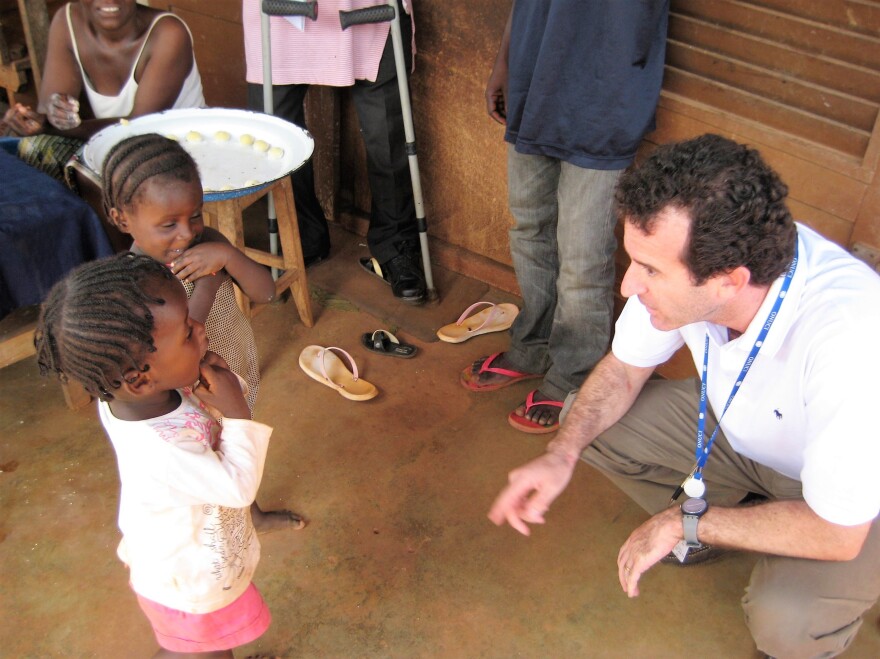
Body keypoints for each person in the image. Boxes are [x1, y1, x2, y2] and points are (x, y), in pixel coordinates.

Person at [488, 134, 880, 657]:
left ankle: (722, 535)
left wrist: (682, 520)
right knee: (591, 422)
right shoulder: (720, 269)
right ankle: (725, 527)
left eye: (650, 270)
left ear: (727, 283)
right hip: (745, 432)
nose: (629, 286)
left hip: (850, 499)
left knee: (786, 621)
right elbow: (623, 372)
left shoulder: (850, 341)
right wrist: (561, 455)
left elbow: (838, 534)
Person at [34, 253, 275, 657]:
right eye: (187, 334)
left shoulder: (129, 390)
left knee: (200, 649)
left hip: (182, 551)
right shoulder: (162, 448)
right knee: (208, 652)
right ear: (138, 377)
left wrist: (204, 294)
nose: (200, 329)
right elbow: (238, 488)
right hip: (188, 577)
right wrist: (237, 412)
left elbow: (164, 343)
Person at [461, 0, 670, 433]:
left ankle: (572, 374)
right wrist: (504, 62)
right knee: (530, 228)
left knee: (583, 253)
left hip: (605, 95)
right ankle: (534, 343)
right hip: (534, 80)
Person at [102, 132, 304, 533]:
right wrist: (212, 277)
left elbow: (265, 292)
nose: (187, 233)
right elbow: (188, 326)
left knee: (238, 436)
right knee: (216, 451)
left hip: (230, 362)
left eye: (194, 214)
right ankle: (239, 519)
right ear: (122, 220)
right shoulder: (137, 283)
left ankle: (252, 513)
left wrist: (228, 255)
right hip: (193, 389)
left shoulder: (208, 241)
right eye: (168, 224)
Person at [241, 0, 426, 303]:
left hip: (369, 6)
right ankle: (301, 237)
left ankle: (396, 246)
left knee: (388, 135)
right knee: (276, 137)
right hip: (281, 10)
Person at [1, 0, 204, 179]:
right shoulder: (68, 21)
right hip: (117, 150)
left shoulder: (168, 33)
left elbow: (139, 128)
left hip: (180, 151)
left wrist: (52, 127)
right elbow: (51, 110)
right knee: (32, 150)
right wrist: (42, 119)